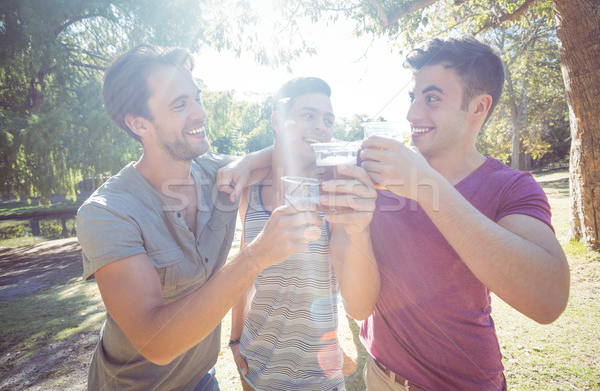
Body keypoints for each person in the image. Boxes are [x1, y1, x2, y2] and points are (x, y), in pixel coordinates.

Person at [76, 45, 324, 391]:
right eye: (180, 104)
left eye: (197, 98)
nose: (199, 113)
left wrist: (246, 161)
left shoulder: (221, 175)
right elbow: (155, 342)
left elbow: (289, 150)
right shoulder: (107, 213)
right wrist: (256, 256)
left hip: (201, 381)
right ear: (138, 123)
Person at [358, 37, 570, 391]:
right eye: (413, 98)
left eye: (432, 98)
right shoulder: (384, 169)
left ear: (477, 108)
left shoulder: (510, 187)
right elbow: (309, 145)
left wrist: (428, 187)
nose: (412, 114)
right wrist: (247, 164)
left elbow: (548, 299)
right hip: (379, 376)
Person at [227, 77, 380, 391]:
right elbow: (244, 274)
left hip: (318, 377)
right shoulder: (250, 193)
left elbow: (358, 305)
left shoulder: (335, 195)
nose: (321, 126)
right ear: (277, 121)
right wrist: (235, 338)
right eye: (308, 115)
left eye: (327, 120)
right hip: (255, 371)